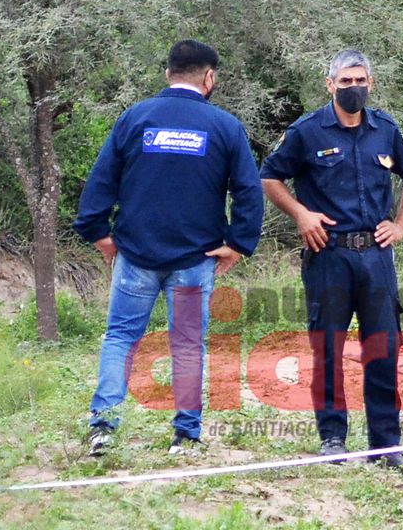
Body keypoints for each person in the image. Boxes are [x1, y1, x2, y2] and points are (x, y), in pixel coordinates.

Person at [74, 40, 264, 457]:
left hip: (135, 257)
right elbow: (249, 191)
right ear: (209, 77)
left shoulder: (135, 118)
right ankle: (185, 435)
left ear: (168, 74)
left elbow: (101, 180)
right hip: (196, 260)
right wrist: (237, 244)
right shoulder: (225, 126)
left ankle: (103, 429)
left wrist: (98, 233)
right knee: (187, 343)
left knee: (121, 337)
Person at [260, 49, 403, 470]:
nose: (354, 88)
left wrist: (401, 225)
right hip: (328, 255)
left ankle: (385, 445)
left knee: (383, 350)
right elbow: (269, 176)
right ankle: (332, 438)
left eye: (360, 81)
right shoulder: (307, 131)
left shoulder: (385, 129)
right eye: (346, 81)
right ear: (330, 85)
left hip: (376, 256)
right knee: (328, 348)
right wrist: (301, 214)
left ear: (371, 83)